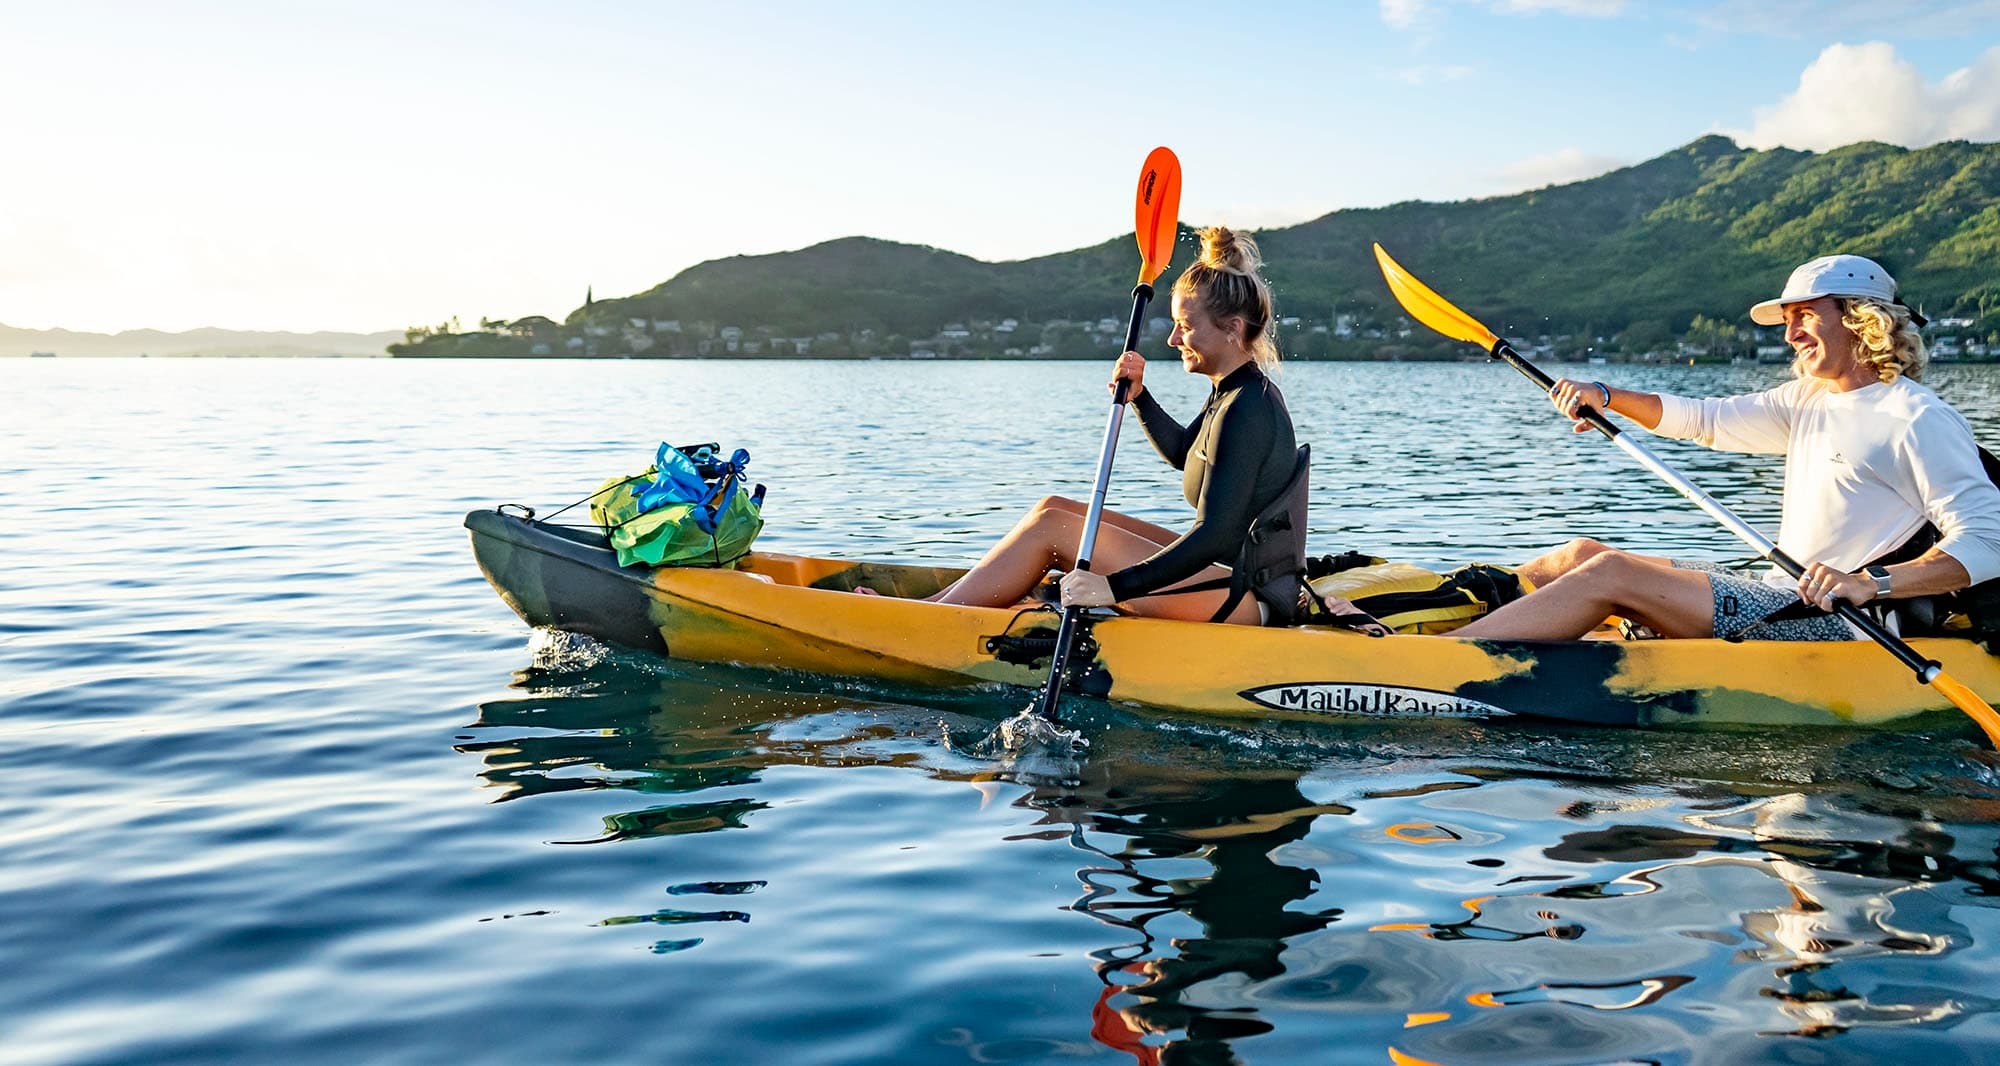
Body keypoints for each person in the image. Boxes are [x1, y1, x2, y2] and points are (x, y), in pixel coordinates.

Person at [1454, 253, 2000, 642]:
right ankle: (1437, 619)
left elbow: (1989, 542)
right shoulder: (1809, 398)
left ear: (1862, 320)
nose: (1791, 335)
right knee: (1582, 556)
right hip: (1780, 590)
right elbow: (1705, 419)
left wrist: (1868, 584)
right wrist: (1605, 395)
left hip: (1847, 625)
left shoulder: (1917, 416)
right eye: (1788, 321)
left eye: (1806, 316)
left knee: (1612, 574)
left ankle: (1436, 665)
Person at [924, 226, 1301, 625]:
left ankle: (930, 623)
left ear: (1233, 329)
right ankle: (931, 606)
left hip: (1247, 599)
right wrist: (1140, 397)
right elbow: (1186, 455)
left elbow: (1215, 536)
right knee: (1053, 508)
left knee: (1055, 527)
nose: (1173, 339)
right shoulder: (1233, 391)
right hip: (1230, 576)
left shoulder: (1247, 408)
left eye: (1186, 327)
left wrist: (1111, 588)